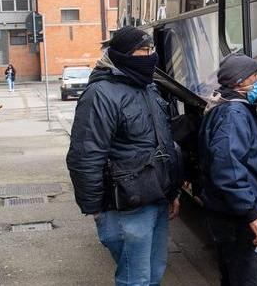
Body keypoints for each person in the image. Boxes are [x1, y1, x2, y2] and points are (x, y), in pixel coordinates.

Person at [66, 26, 181, 286]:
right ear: (123, 54)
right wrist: (95, 208)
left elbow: (163, 144)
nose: (150, 56)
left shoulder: (148, 87)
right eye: (143, 51)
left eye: (151, 50)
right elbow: (84, 156)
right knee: (135, 280)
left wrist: (172, 192)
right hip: (125, 208)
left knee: (153, 276)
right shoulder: (101, 94)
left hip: (157, 199)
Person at [199, 53, 257, 286]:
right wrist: (251, 215)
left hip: (228, 214)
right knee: (248, 279)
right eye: (254, 76)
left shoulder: (225, 106)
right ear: (240, 82)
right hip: (236, 219)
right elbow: (227, 169)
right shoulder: (234, 114)